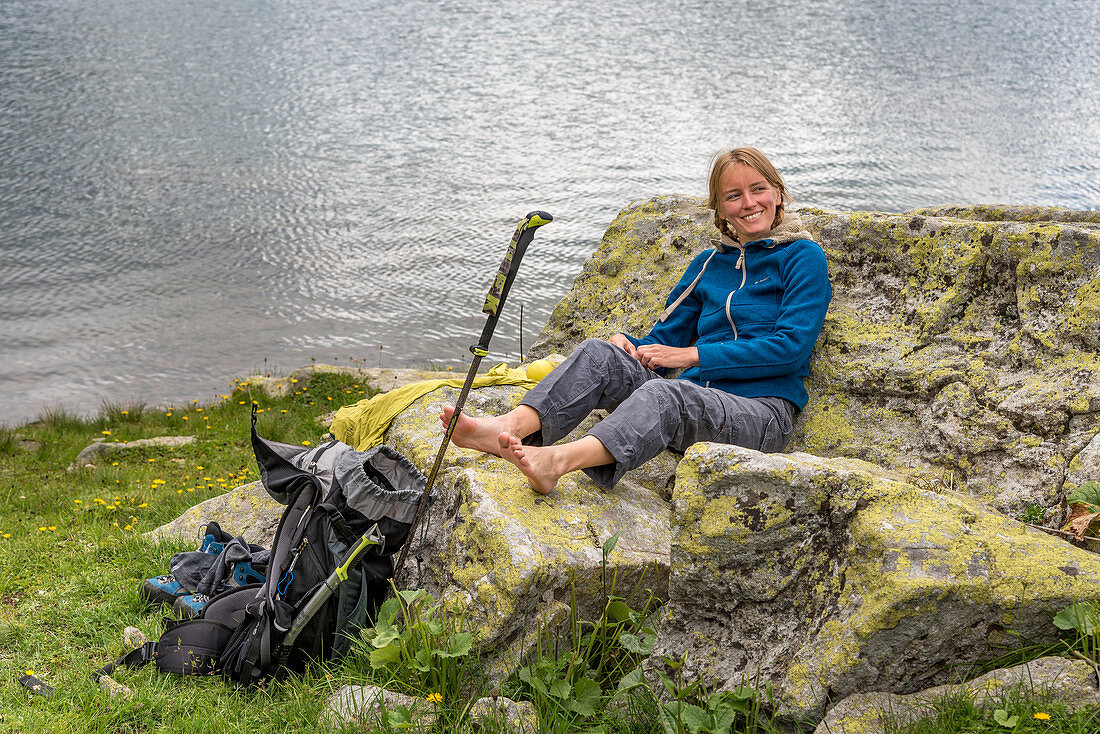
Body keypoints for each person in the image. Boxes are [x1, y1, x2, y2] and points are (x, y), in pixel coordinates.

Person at [440, 147, 832, 494]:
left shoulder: (802, 257)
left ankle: (555, 463)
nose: (749, 203)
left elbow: (790, 350)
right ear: (720, 211)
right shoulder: (708, 265)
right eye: (734, 195)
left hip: (760, 414)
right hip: (697, 404)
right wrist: (629, 344)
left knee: (667, 394)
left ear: (778, 194)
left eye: (758, 189)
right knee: (599, 354)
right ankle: (507, 428)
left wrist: (693, 356)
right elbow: (662, 339)